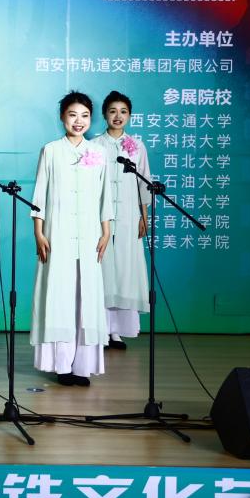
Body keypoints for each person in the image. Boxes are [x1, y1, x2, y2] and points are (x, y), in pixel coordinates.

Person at [30, 91, 114, 387]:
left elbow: (105, 195)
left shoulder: (98, 153)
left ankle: (82, 367)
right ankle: (61, 365)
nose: (79, 121)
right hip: (58, 233)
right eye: (73, 115)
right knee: (60, 296)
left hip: (90, 234)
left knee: (86, 298)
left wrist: (106, 230)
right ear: (62, 117)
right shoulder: (51, 150)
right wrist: (39, 231)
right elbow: (39, 194)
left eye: (85, 116)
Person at [94, 90, 150, 350]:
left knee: (125, 271)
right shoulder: (94, 145)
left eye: (123, 112)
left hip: (128, 215)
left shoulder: (137, 146)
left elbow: (143, 182)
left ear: (129, 116)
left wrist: (143, 216)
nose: (118, 116)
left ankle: (116, 332)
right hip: (100, 217)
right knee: (103, 270)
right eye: (113, 111)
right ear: (104, 114)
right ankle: (100, 329)